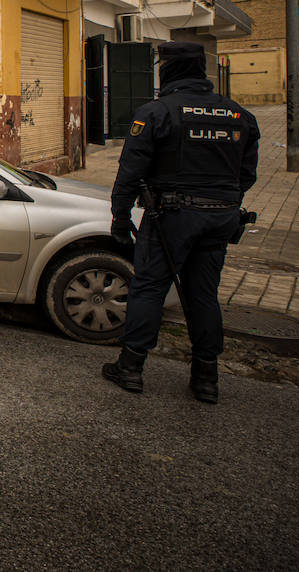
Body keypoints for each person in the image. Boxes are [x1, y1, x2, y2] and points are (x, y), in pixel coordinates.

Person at [103, 41, 259, 404]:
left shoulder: (157, 113)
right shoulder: (238, 116)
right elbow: (246, 176)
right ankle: (206, 377)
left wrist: (121, 216)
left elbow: (130, 173)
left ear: (169, 69)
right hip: (220, 219)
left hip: (170, 217)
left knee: (149, 289)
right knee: (203, 295)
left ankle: (131, 367)